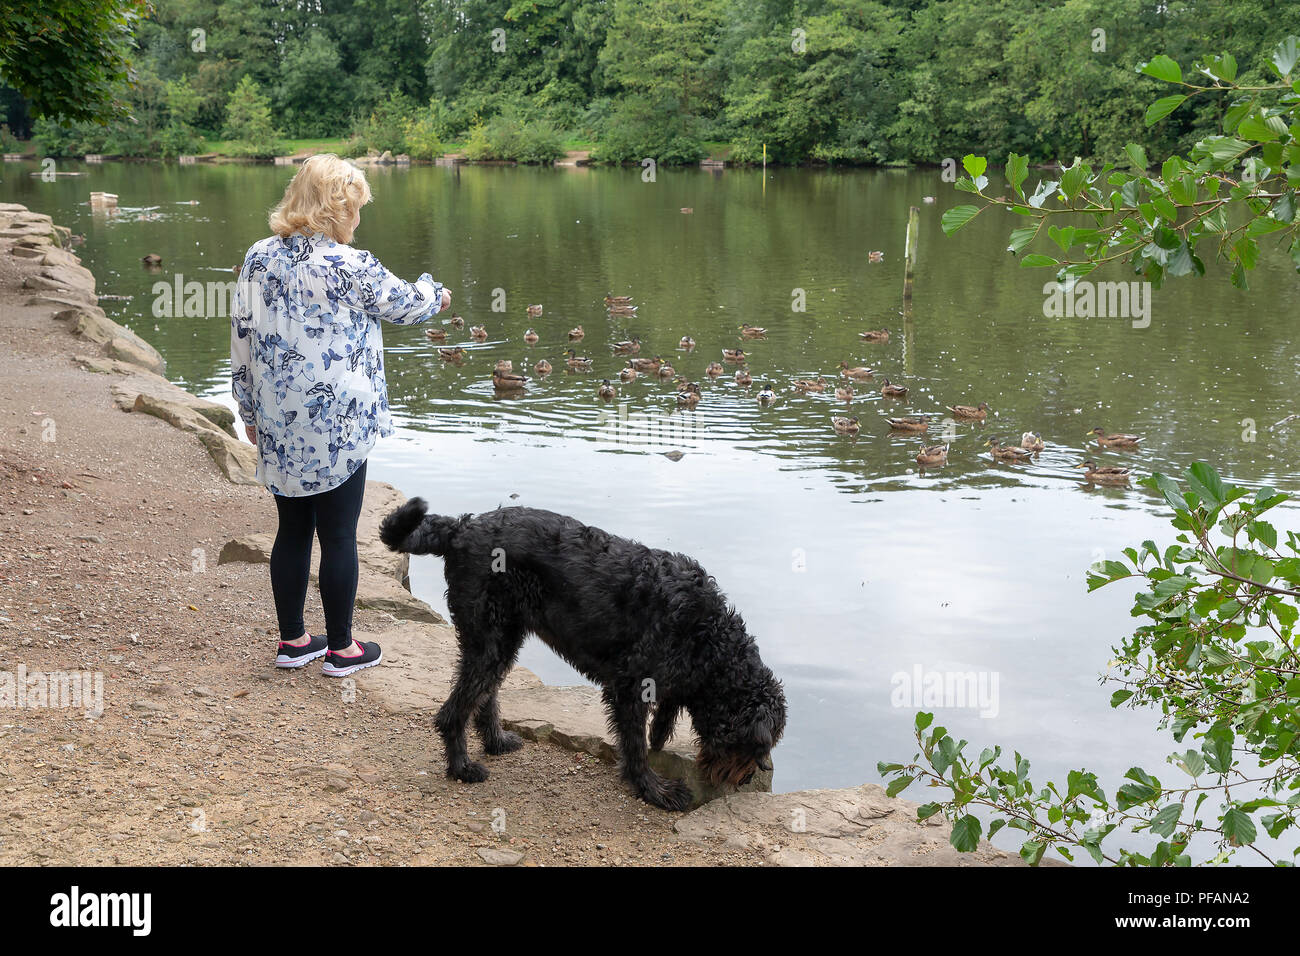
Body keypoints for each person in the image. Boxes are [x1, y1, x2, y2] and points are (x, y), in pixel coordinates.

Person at [230, 154, 450, 677]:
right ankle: (343, 650)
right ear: (334, 209)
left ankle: (293, 643)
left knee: (291, 531)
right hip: (337, 423)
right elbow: (407, 305)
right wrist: (436, 293)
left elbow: (241, 336)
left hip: (279, 417)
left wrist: (247, 407)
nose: (358, 219)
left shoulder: (259, 257)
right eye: (354, 209)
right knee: (339, 534)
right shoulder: (349, 265)